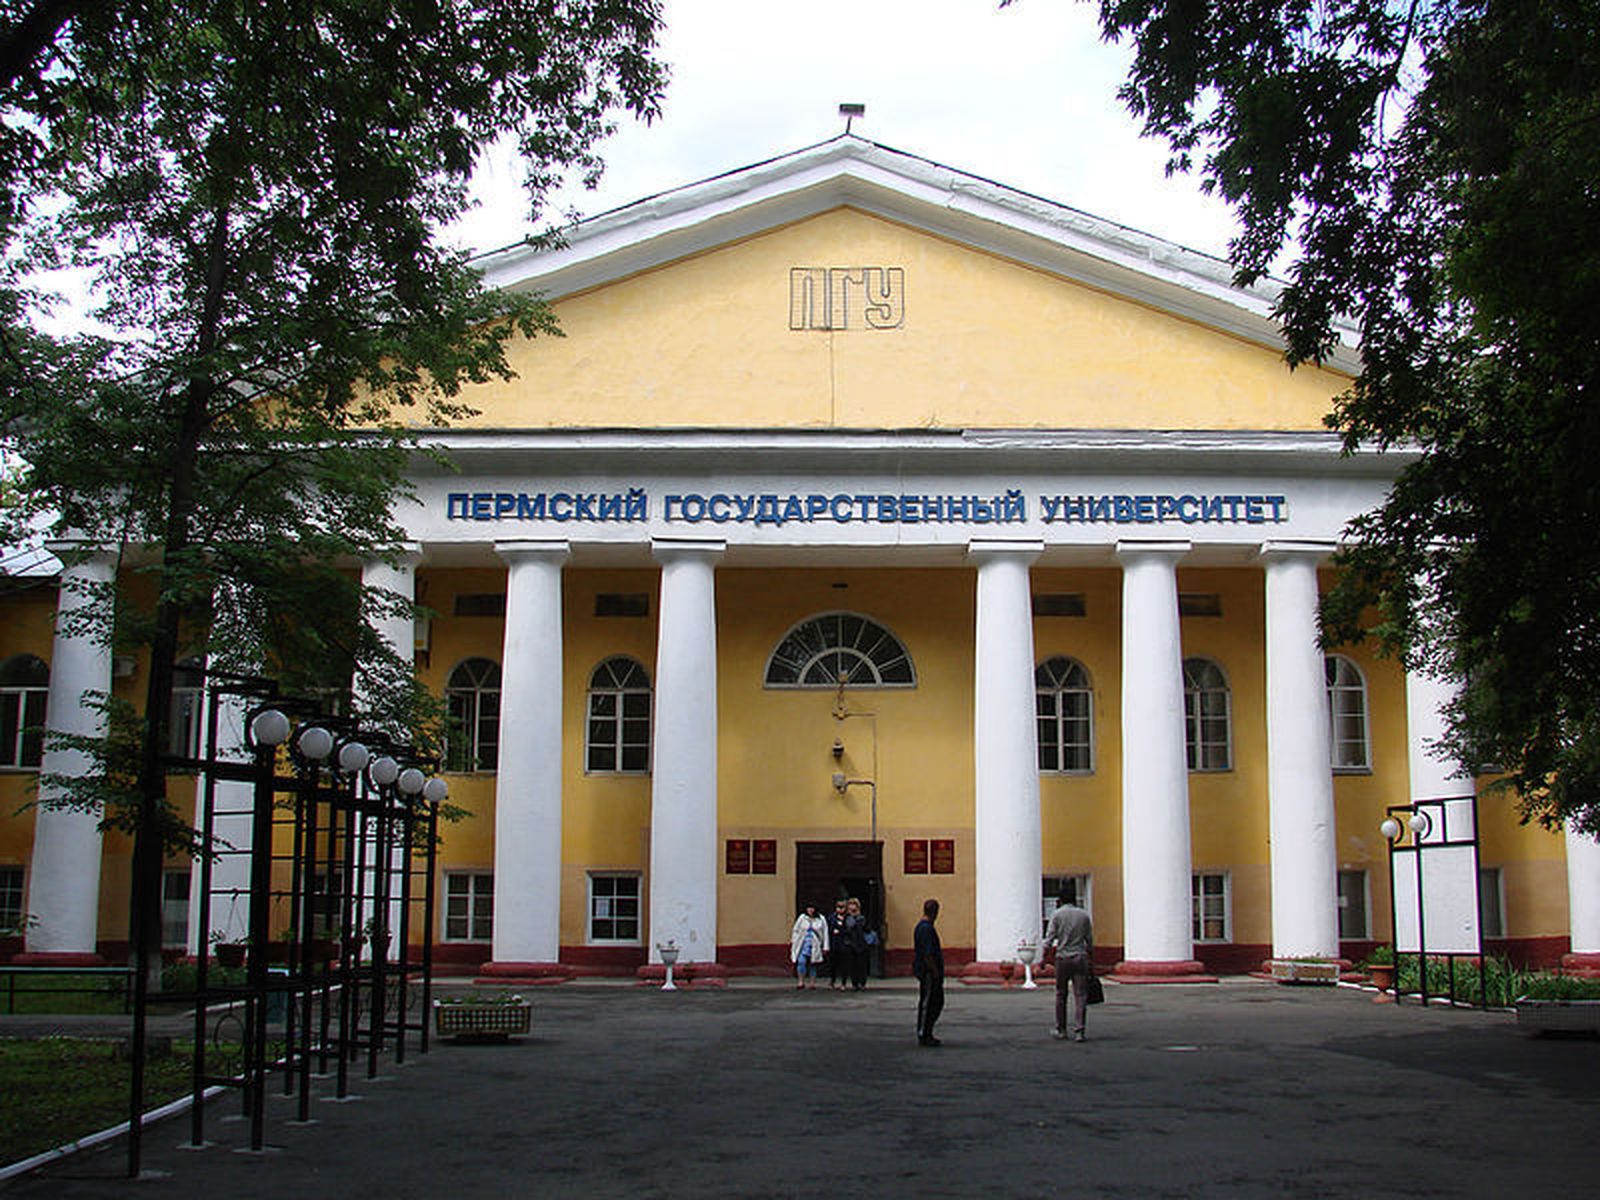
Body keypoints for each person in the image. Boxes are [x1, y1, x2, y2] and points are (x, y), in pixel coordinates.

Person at [1042, 894, 1094, 1042]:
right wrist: (1091, 960)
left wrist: (1043, 959)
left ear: (1060, 901)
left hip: (1062, 958)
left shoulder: (1057, 915)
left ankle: (1061, 1029)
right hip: (1080, 957)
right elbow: (1089, 940)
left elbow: (1050, 938)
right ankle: (1080, 1031)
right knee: (1080, 995)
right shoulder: (1084, 915)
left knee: (1061, 994)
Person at [912, 898, 944, 1045]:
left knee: (935, 1001)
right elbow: (928, 953)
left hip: (926, 970)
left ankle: (927, 1031)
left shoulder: (923, 927)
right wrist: (935, 970)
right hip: (929, 972)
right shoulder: (926, 928)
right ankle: (924, 1033)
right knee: (929, 1002)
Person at [790, 903, 828, 989]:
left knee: (813, 964)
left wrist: (825, 946)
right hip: (803, 944)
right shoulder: (802, 918)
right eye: (809, 908)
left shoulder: (821, 919)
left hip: (815, 944)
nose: (810, 910)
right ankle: (801, 981)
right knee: (801, 962)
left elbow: (825, 933)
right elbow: (796, 930)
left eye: (812, 908)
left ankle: (812, 983)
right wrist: (794, 941)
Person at [843, 896, 870, 991]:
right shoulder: (847, 918)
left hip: (861, 944)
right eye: (850, 905)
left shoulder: (862, 917)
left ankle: (862, 982)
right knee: (852, 965)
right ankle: (854, 983)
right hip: (850, 944)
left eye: (854, 904)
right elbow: (844, 930)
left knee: (861, 965)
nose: (852, 907)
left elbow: (867, 929)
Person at [827, 898, 849, 989]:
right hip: (834, 943)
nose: (840, 909)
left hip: (844, 944)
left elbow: (849, 929)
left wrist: (841, 930)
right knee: (833, 964)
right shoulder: (832, 917)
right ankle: (832, 980)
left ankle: (843, 982)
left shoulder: (848, 917)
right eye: (838, 907)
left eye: (842, 907)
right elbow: (828, 928)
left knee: (844, 964)